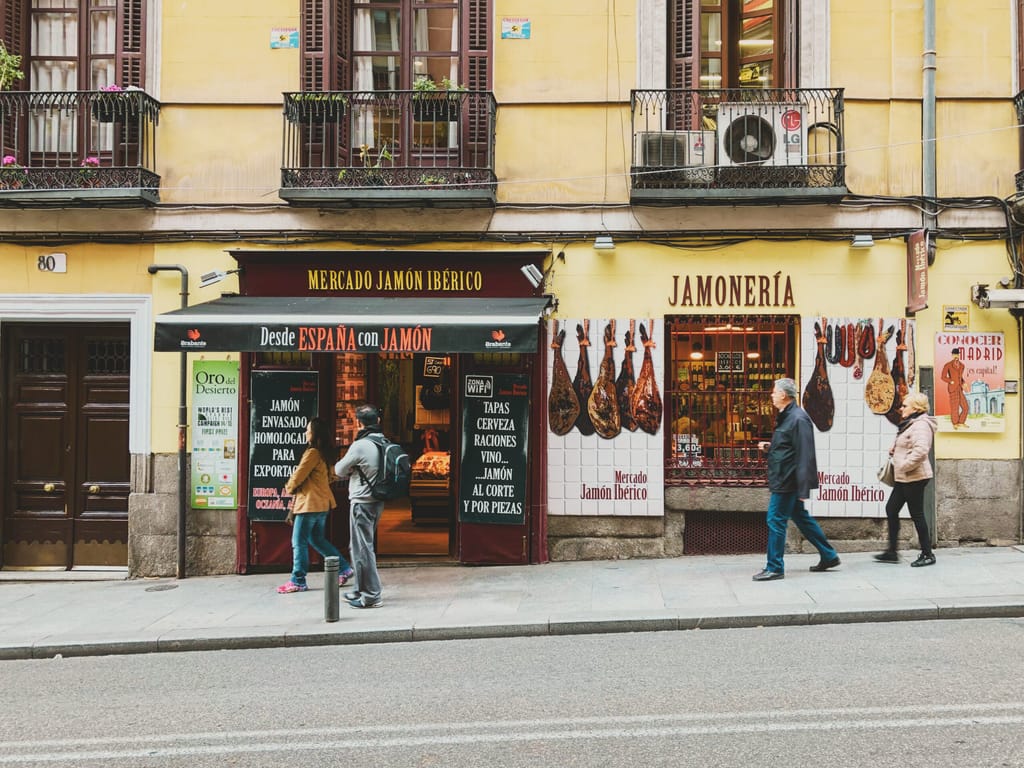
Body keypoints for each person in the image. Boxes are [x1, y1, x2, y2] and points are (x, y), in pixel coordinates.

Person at [752, 378, 840, 581]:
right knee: (801, 518)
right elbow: (788, 448)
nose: (772, 395)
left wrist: (803, 489)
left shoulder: (798, 419)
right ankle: (829, 555)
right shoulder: (786, 416)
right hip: (785, 476)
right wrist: (769, 448)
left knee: (775, 520)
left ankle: (775, 567)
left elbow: (805, 454)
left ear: (784, 395)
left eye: (774, 392)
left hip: (787, 480)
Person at [277, 417, 354, 594]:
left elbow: (299, 474)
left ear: (315, 434)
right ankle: (344, 568)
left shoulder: (312, 453)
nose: (305, 433)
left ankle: (298, 580)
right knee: (317, 539)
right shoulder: (326, 454)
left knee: (299, 542)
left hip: (309, 505)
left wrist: (289, 487)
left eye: (308, 430)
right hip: (322, 504)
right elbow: (332, 476)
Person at [875, 391, 938, 567]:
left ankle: (927, 554)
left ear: (915, 408)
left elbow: (921, 451)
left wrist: (902, 465)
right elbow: (909, 444)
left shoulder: (921, 425)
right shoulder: (911, 424)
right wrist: (895, 449)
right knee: (891, 508)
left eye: (905, 405)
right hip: (905, 477)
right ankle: (892, 552)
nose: (901, 408)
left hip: (914, 477)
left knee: (916, 514)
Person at [334, 404, 387, 609]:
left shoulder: (360, 445)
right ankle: (358, 589)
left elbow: (339, 469)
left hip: (362, 502)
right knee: (359, 547)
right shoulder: (382, 441)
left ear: (358, 423)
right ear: (378, 421)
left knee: (363, 549)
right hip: (377, 501)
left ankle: (372, 595)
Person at [940, 347, 970, 429]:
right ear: (952, 355)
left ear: (959, 355)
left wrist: (964, 383)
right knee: (955, 407)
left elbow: (960, 377)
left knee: (966, 407)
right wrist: (950, 381)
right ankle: (955, 423)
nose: (956, 356)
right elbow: (943, 377)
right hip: (953, 388)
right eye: (954, 354)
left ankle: (961, 422)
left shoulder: (962, 365)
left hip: (960, 389)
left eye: (957, 354)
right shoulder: (948, 365)